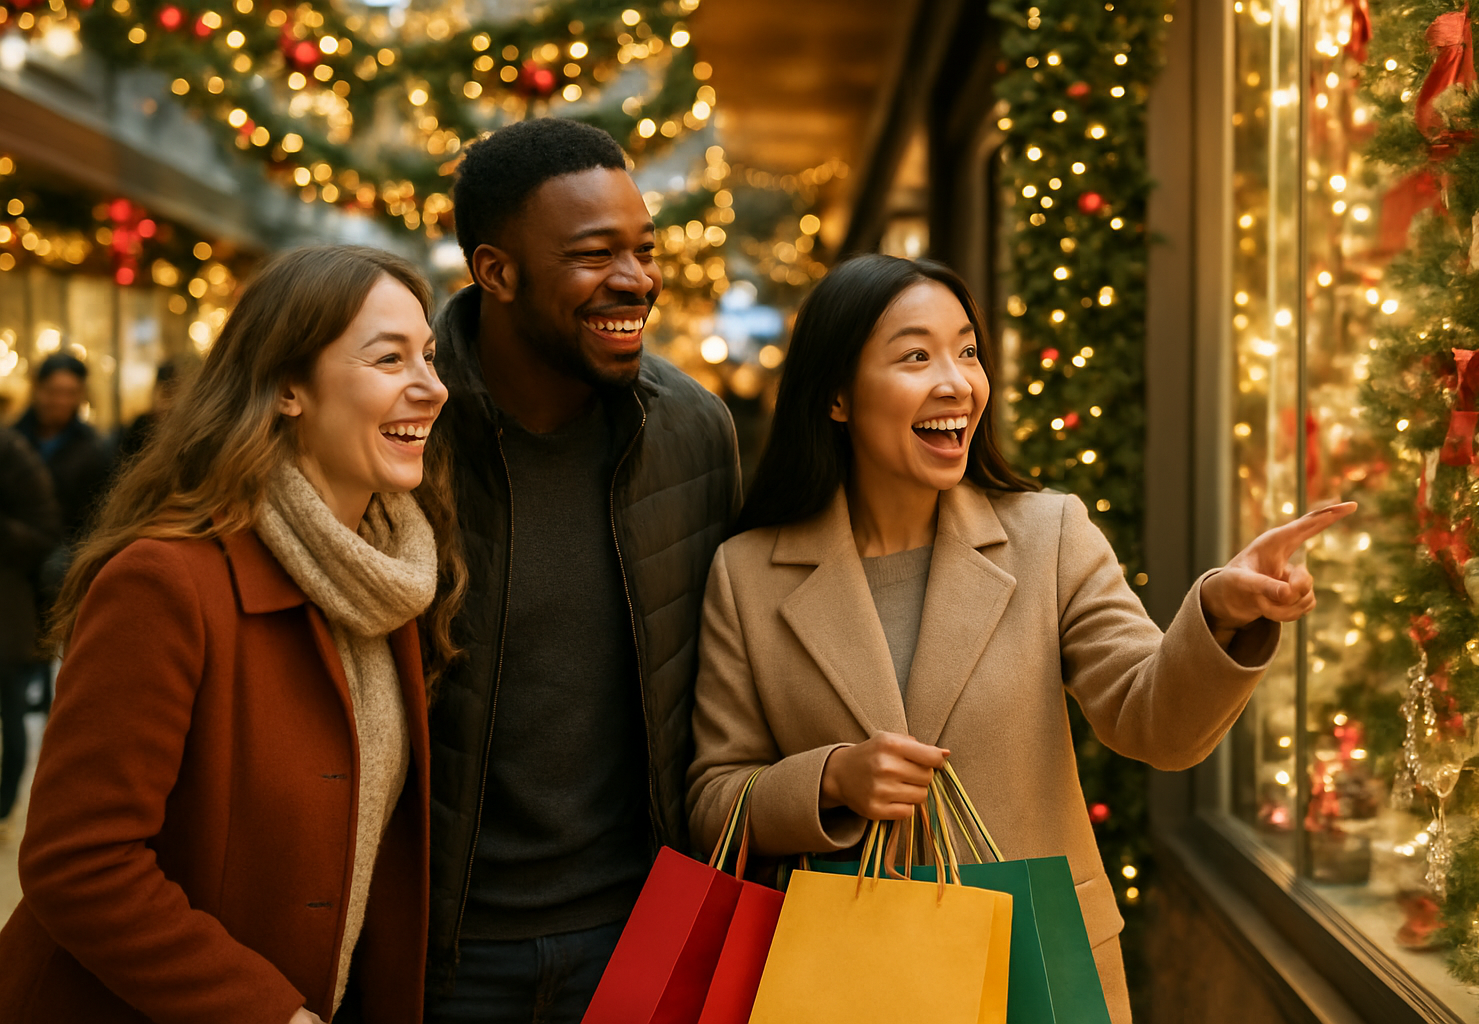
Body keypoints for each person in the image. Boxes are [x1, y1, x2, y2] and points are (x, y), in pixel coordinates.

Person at [685, 254, 1355, 1023]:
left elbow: (1153, 722)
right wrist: (832, 780)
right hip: (844, 980)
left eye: (968, 351)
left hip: (1035, 972)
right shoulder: (747, 574)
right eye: (916, 356)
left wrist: (1222, 616)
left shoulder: (1049, 534)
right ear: (837, 395)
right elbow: (713, 799)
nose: (957, 382)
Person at [0, 245, 465, 1024]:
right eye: (390, 359)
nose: (431, 386)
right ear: (288, 388)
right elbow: (79, 863)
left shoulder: (390, 581)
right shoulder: (167, 582)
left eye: (429, 355)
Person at [426, 117, 740, 1021]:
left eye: (643, 249)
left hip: (637, 932)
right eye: (596, 253)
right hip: (444, 951)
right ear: (496, 272)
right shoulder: (404, 427)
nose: (636, 279)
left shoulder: (694, 433)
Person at [0, 426, 61, 840]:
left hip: (7, 608)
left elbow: (45, 533)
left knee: (12, 713)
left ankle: (3, 809)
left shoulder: (11, 451)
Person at [15, 353, 112, 546]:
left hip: (64, 550)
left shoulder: (92, 448)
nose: (62, 401)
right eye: (54, 391)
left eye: (71, 393)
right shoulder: (14, 439)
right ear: (38, 389)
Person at [115, 359, 182, 465]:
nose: (167, 404)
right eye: (164, 394)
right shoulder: (139, 427)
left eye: (172, 395)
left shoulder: (184, 431)